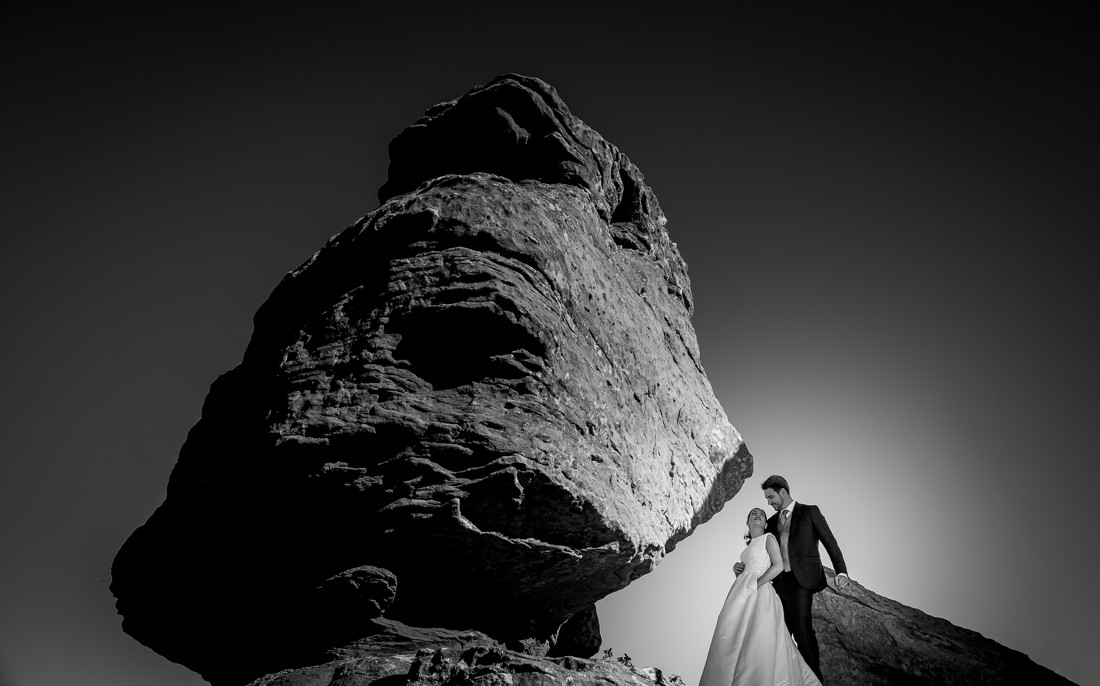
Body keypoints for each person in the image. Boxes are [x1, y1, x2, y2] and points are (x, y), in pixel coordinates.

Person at [699, 508, 822, 686]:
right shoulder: (744, 552)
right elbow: (745, 571)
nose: (758, 515)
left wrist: (756, 584)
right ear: (747, 523)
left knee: (758, 637)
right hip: (740, 594)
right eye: (753, 514)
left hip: (761, 592)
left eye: (762, 514)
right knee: (732, 634)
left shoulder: (768, 538)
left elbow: (778, 565)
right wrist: (737, 571)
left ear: (765, 524)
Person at [748, 475, 849, 684]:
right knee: (778, 633)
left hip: (803, 579)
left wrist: (841, 571)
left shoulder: (809, 511)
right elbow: (759, 546)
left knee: (802, 631)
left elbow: (830, 541)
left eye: (770, 497)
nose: (768, 503)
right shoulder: (773, 522)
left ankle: (815, 682)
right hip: (778, 583)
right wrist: (741, 565)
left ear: (782, 492)